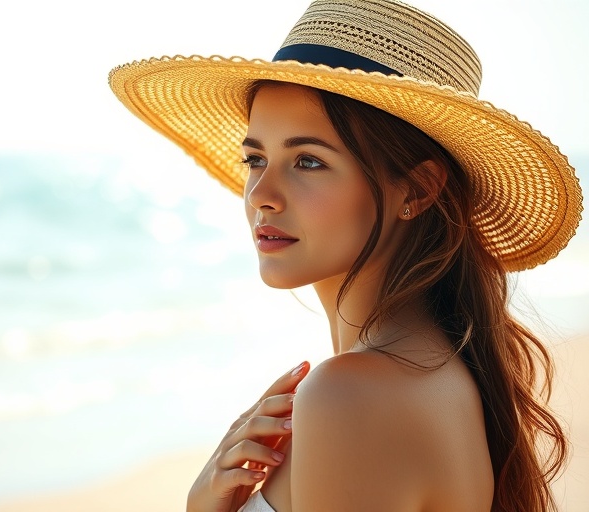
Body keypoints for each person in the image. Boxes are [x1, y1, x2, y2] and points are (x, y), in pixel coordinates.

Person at [109, 0, 582, 511]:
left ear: (417, 189)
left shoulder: (350, 396)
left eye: (308, 161)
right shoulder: (441, 372)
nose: (261, 194)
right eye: (255, 159)